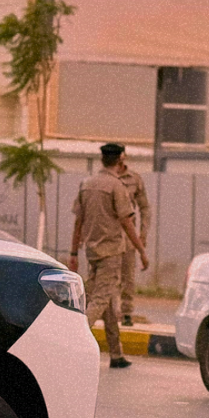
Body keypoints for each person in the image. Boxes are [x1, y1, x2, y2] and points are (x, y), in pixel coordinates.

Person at [69, 143, 150, 368]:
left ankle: (116, 354)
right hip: (112, 252)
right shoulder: (116, 186)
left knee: (108, 302)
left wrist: (73, 252)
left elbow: (78, 222)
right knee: (100, 300)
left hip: (92, 252)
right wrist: (142, 251)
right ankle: (72, 343)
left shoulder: (87, 184)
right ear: (120, 159)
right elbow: (127, 222)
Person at [116, 149, 152, 327]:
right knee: (106, 276)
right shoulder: (105, 178)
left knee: (127, 276)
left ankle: (127, 312)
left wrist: (143, 234)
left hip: (128, 235)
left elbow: (145, 208)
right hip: (108, 234)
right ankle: (108, 311)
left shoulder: (134, 179)